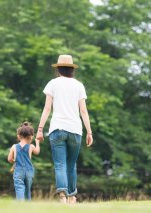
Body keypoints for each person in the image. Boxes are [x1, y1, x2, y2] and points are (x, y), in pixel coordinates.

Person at [36, 54, 93, 204]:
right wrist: (89, 132)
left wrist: (40, 129)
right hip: (75, 130)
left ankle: (62, 196)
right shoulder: (79, 85)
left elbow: (47, 108)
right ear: (72, 69)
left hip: (57, 129)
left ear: (58, 68)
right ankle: (72, 197)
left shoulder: (53, 83)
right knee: (71, 164)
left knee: (60, 164)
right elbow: (83, 111)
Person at [7, 122, 41, 200]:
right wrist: (37, 143)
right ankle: (27, 206)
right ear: (31, 136)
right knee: (27, 189)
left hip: (18, 171)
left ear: (18, 136)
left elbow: (9, 159)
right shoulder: (31, 146)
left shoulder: (14, 146)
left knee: (19, 188)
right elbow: (37, 152)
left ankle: (20, 205)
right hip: (29, 171)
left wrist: (15, 161)